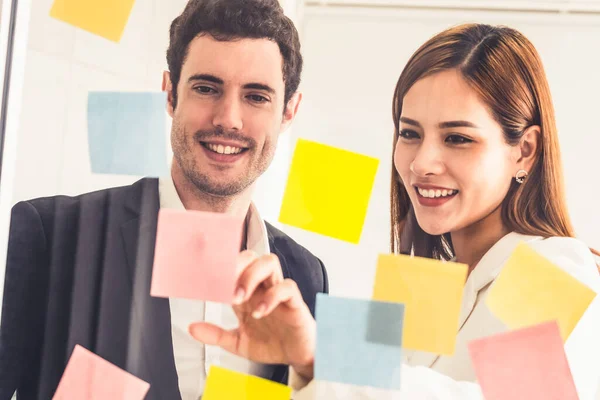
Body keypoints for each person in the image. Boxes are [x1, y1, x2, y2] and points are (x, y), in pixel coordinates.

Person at [190, 23, 600, 398]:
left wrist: (321, 356)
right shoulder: (418, 281)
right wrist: (275, 360)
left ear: (524, 151)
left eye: (457, 138)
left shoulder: (556, 267)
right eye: (409, 133)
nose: (421, 162)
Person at [0, 0, 329, 399]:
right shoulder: (53, 234)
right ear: (170, 94)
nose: (228, 119)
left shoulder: (309, 276)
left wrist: (311, 368)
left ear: (289, 111)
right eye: (206, 88)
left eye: (256, 96)